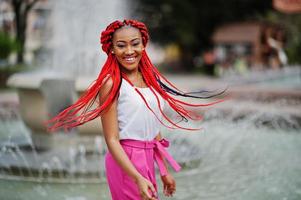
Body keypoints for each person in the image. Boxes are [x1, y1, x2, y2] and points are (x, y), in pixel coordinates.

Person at [47, 19, 224, 200]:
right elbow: (112, 139)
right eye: (121, 45)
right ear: (112, 49)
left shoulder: (150, 80)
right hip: (125, 160)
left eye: (135, 43)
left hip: (147, 157)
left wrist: (163, 172)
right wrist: (137, 177)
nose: (129, 51)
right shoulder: (111, 83)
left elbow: (154, 130)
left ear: (143, 44)